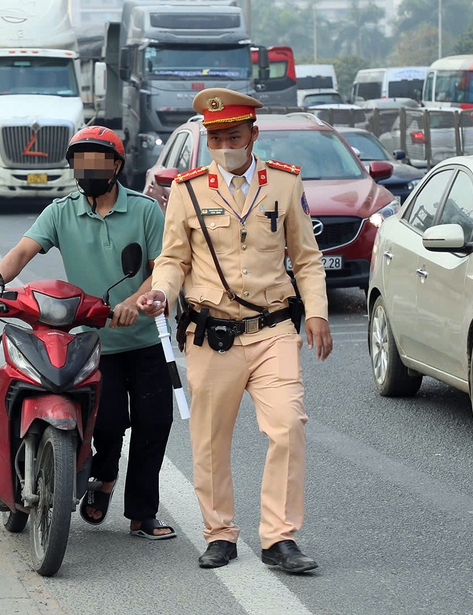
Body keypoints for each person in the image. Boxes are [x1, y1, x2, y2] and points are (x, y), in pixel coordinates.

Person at [138, 88, 333, 573]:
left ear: (253, 136)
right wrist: (161, 291)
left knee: (287, 426)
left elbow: (306, 259)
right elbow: (172, 259)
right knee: (209, 438)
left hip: (272, 331)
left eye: (233, 135)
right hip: (212, 336)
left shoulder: (284, 185)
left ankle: (279, 538)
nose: (224, 144)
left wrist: (317, 313)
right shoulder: (187, 190)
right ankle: (220, 533)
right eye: (216, 137)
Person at [0, 126, 177, 540]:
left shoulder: (145, 211)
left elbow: (161, 267)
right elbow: (24, 251)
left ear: (116, 165)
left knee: (154, 424)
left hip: (147, 338)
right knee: (107, 421)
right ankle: (102, 480)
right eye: (81, 162)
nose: (88, 169)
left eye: (97, 160)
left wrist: (134, 302)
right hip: (95, 340)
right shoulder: (62, 211)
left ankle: (142, 515)